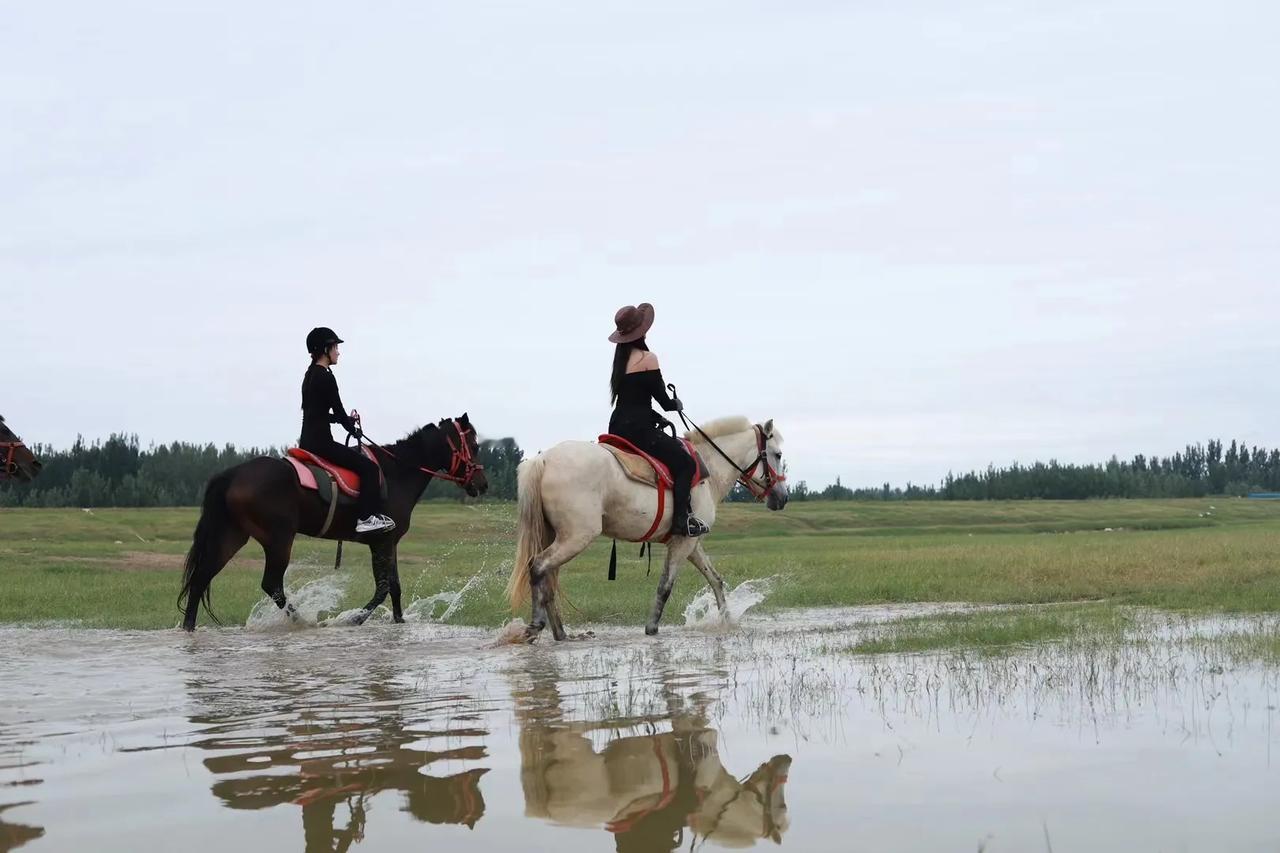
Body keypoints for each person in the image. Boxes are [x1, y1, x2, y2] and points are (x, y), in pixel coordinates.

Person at [607, 303, 708, 537]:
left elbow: (633, 401)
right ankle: (682, 521)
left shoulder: (619, 362)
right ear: (641, 332)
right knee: (686, 464)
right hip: (639, 430)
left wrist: (656, 417)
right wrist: (676, 405)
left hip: (617, 427)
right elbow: (663, 400)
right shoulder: (648, 358)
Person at [300, 327, 395, 534]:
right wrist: (353, 428)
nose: (338, 352)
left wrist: (345, 422)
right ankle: (366, 518)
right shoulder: (326, 376)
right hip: (321, 443)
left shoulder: (309, 375)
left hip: (306, 442)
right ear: (325, 350)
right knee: (370, 469)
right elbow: (340, 412)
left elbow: (318, 414)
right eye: (335, 347)